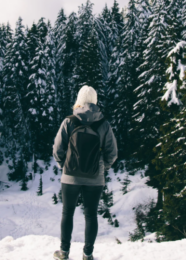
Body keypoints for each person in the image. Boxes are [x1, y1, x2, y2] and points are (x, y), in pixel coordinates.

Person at [52, 85, 118, 260]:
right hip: (95, 178)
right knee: (91, 215)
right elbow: (112, 153)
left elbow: (58, 148)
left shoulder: (69, 121)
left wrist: (64, 166)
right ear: (95, 101)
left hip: (70, 176)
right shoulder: (104, 124)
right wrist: (102, 169)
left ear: (79, 101)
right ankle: (87, 254)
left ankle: (64, 252)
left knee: (67, 213)